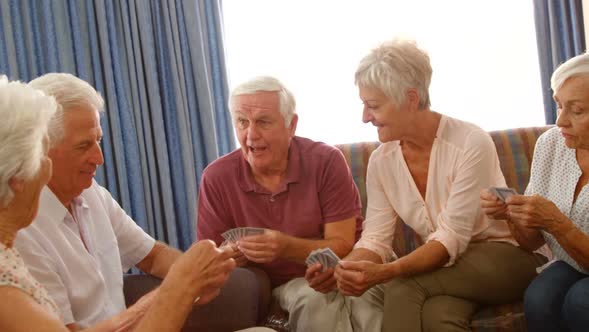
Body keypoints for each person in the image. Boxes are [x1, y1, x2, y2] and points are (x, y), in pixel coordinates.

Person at [332, 39, 546, 332]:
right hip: (449, 267)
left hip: (505, 256)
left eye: (373, 106)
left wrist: (385, 272)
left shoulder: (470, 142)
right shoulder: (382, 161)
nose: (365, 117)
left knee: (402, 286)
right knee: (437, 316)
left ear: (410, 98)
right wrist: (347, 267)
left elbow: (449, 237)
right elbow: (376, 239)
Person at [0, 75, 236, 332]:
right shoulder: (15, 262)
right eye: (83, 146)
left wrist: (192, 279)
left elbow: (153, 255)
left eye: (98, 140)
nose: (99, 159)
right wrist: (179, 288)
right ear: (16, 177)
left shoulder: (92, 195)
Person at [196, 76, 363, 331]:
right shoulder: (216, 177)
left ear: (291, 125)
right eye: (242, 122)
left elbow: (342, 243)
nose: (251, 136)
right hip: (273, 286)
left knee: (371, 305)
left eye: (263, 122)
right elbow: (208, 259)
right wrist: (230, 255)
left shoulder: (327, 161)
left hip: (342, 270)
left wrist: (284, 247)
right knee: (315, 300)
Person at [481, 52, 589, 332]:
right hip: (574, 262)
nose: (561, 121)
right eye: (559, 106)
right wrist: (512, 214)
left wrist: (557, 222)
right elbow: (531, 243)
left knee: (581, 301)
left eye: (576, 110)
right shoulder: (551, 144)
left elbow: (554, 224)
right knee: (540, 297)